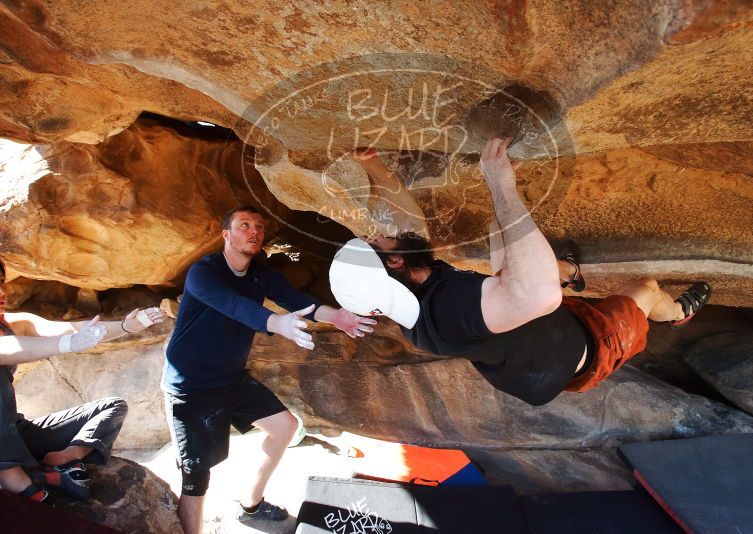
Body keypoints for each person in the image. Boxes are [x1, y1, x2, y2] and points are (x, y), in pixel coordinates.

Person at [330, 138, 712, 406]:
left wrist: (371, 163)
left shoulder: (409, 287)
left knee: (508, 236)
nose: (378, 234)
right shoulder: (448, 314)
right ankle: (677, 314)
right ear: (394, 263)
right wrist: (499, 181)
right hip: (587, 349)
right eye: (377, 242)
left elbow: (406, 220)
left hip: (535, 330)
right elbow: (539, 296)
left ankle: (565, 271)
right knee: (645, 289)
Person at [162, 205, 376, 534]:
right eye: (244, 225)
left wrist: (338, 317)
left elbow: (295, 299)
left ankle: (251, 503)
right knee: (196, 479)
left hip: (231, 378)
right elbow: (234, 305)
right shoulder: (204, 272)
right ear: (226, 235)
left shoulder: (262, 274)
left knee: (285, 427)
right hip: (191, 386)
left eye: (259, 228)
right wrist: (276, 323)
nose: (254, 232)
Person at [0, 258, 165, 503]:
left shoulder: (14, 323)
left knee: (112, 408)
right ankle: (13, 477)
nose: (3, 291)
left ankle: (64, 458)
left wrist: (126, 326)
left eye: (2, 282)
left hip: (13, 431)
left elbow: (72, 330)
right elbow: (7, 348)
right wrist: (67, 345)